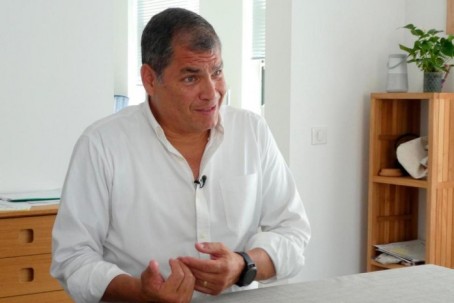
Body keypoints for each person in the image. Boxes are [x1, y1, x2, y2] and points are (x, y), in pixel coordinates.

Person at [51, 7, 310, 303]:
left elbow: (293, 233)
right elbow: (73, 259)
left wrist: (242, 265)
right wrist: (140, 292)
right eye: (191, 78)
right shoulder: (101, 144)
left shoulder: (252, 131)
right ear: (150, 79)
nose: (212, 93)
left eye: (217, 73)